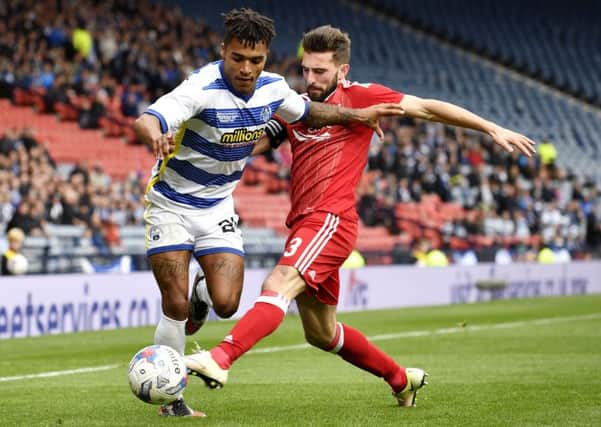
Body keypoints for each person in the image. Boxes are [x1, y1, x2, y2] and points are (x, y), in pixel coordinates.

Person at [183, 25, 536, 412]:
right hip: (304, 224)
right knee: (321, 333)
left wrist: (490, 127)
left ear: (342, 70)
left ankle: (220, 359)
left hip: (331, 220)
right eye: (306, 70)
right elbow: (249, 144)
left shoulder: (362, 97)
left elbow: (427, 107)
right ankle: (402, 379)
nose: (311, 79)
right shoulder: (296, 107)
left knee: (278, 282)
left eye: (320, 71)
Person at [132, 11, 404, 417]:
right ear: (224, 50)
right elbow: (148, 118)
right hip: (171, 202)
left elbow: (309, 113)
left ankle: (202, 295)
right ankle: (174, 401)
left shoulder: (274, 88)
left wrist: (356, 115)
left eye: (255, 60)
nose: (246, 68)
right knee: (174, 303)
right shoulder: (201, 87)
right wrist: (157, 136)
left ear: (266, 58)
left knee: (226, 303)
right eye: (238, 57)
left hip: (218, 204)